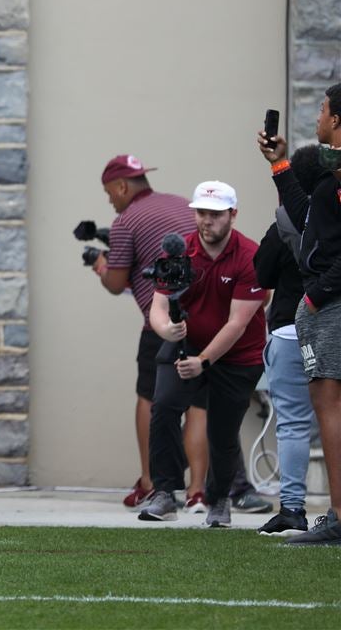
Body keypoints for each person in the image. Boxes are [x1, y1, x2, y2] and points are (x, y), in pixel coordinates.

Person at [140, 181, 267, 528]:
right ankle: (165, 492)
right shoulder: (178, 252)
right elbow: (159, 306)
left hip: (237, 355)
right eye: (201, 213)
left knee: (223, 431)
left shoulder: (250, 256)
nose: (206, 221)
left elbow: (237, 324)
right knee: (164, 407)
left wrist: (204, 362)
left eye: (215, 214)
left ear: (232, 215)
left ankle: (219, 499)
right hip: (187, 346)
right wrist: (166, 330)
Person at [90, 154, 207, 511]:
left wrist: (100, 265)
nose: (110, 200)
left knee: (150, 399)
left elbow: (116, 281)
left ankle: (151, 481)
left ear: (122, 187)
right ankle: (198, 491)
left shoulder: (126, 220)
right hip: (205, 319)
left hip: (163, 324)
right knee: (199, 404)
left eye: (110, 193)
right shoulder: (182, 204)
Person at [258, 82, 341, 546]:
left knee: (329, 406)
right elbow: (309, 217)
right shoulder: (331, 178)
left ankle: (338, 515)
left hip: (330, 303)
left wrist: (315, 296)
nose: (318, 118)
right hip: (326, 302)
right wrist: (279, 164)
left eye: (324, 110)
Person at [251, 146, 326, 536]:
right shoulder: (333, 217)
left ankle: (293, 507)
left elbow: (260, 272)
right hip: (332, 326)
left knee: (293, 425)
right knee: (334, 420)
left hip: (289, 329)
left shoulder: (286, 222)